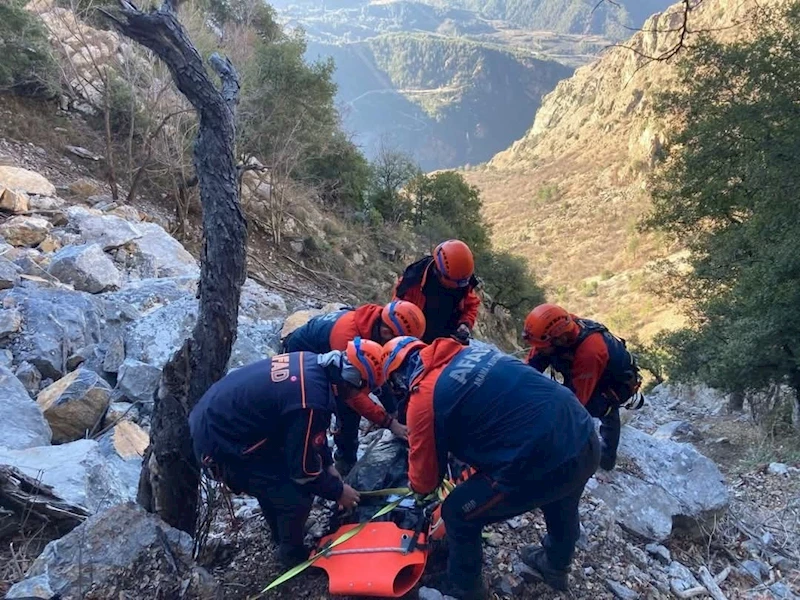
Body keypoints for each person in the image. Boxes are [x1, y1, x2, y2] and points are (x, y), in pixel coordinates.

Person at [382, 336, 600, 598]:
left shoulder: (422, 398)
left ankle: (464, 587)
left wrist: (418, 491)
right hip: (582, 432)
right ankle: (555, 564)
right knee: (563, 498)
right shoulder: (468, 353)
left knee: (457, 512)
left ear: (396, 377)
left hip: (540, 459)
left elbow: (426, 480)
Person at [189, 339, 385, 568]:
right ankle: (292, 557)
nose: (356, 397)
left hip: (218, 422)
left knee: (285, 479)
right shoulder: (311, 401)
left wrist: (328, 465)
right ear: (351, 379)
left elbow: (309, 433)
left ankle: (281, 533)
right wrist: (338, 491)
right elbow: (303, 471)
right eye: (360, 389)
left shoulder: (312, 364)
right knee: (296, 494)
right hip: (222, 446)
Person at [282, 301, 425, 473]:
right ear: (387, 332)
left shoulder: (376, 323)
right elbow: (352, 396)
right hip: (301, 355)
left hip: (321, 347)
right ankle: (342, 463)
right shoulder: (347, 338)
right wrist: (388, 422)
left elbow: (380, 373)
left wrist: (393, 409)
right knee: (343, 410)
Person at [522, 303, 643, 472]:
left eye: (543, 346)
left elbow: (577, 402)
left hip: (612, 384)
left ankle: (607, 458)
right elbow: (530, 366)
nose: (539, 350)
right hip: (581, 363)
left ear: (560, 339)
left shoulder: (590, 352)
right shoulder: (559, 330)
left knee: (600, 410)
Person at [392, 239, 480, 344]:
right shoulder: (412, 281)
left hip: (446, 342)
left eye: (464, 282)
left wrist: (465, 324)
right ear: (440, 273)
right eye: (458, 283)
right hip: (416, 341)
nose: (460, 286)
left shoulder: (462, 281)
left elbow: (471, 305)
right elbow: (397, 314)